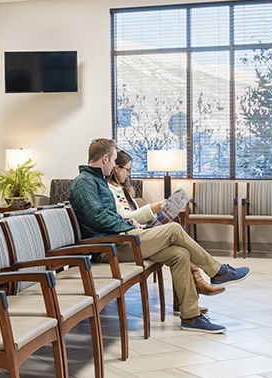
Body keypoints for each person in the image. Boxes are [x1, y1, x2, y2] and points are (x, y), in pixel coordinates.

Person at [69, 138, 250, 334]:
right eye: (113, 160)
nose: (114, 165)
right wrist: (127, 224)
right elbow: (98, 218)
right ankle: (218, 271)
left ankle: (191, 316)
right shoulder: (84, 183)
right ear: (105, 158)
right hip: (108, 248)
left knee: (179, 254)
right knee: (174, 229)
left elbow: (107, 215)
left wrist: (128, 223)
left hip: (119, 240)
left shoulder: (97, 181)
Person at [107, 149, 226, 301]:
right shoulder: (109, 190)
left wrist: (157, 215)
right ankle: (211, 274)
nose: (129, 174)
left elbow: (130, 217)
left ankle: (188, 308)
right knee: (176, 230)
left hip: (137, 234)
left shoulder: (123, 188)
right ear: (116, 167)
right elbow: (123, 218)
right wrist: (152, 209)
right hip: (128, 240)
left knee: (180, 252)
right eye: (127, 170)